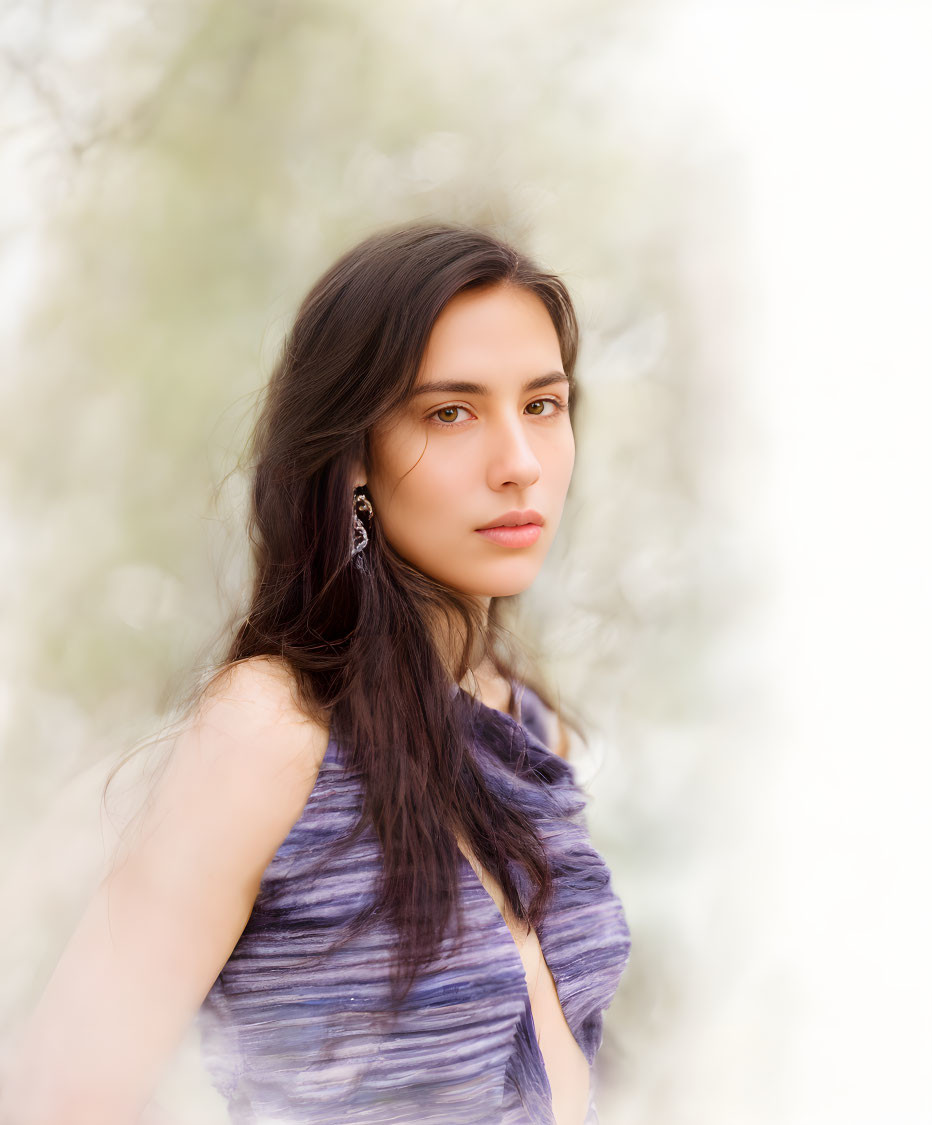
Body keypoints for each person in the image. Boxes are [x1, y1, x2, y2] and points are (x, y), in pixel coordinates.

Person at [1, 222, 632, 1125]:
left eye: (542, 404)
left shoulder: (524, 728)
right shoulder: (273, 728)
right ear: (354, 457)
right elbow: (52, 1098)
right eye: (449, 411)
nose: (520, 465)